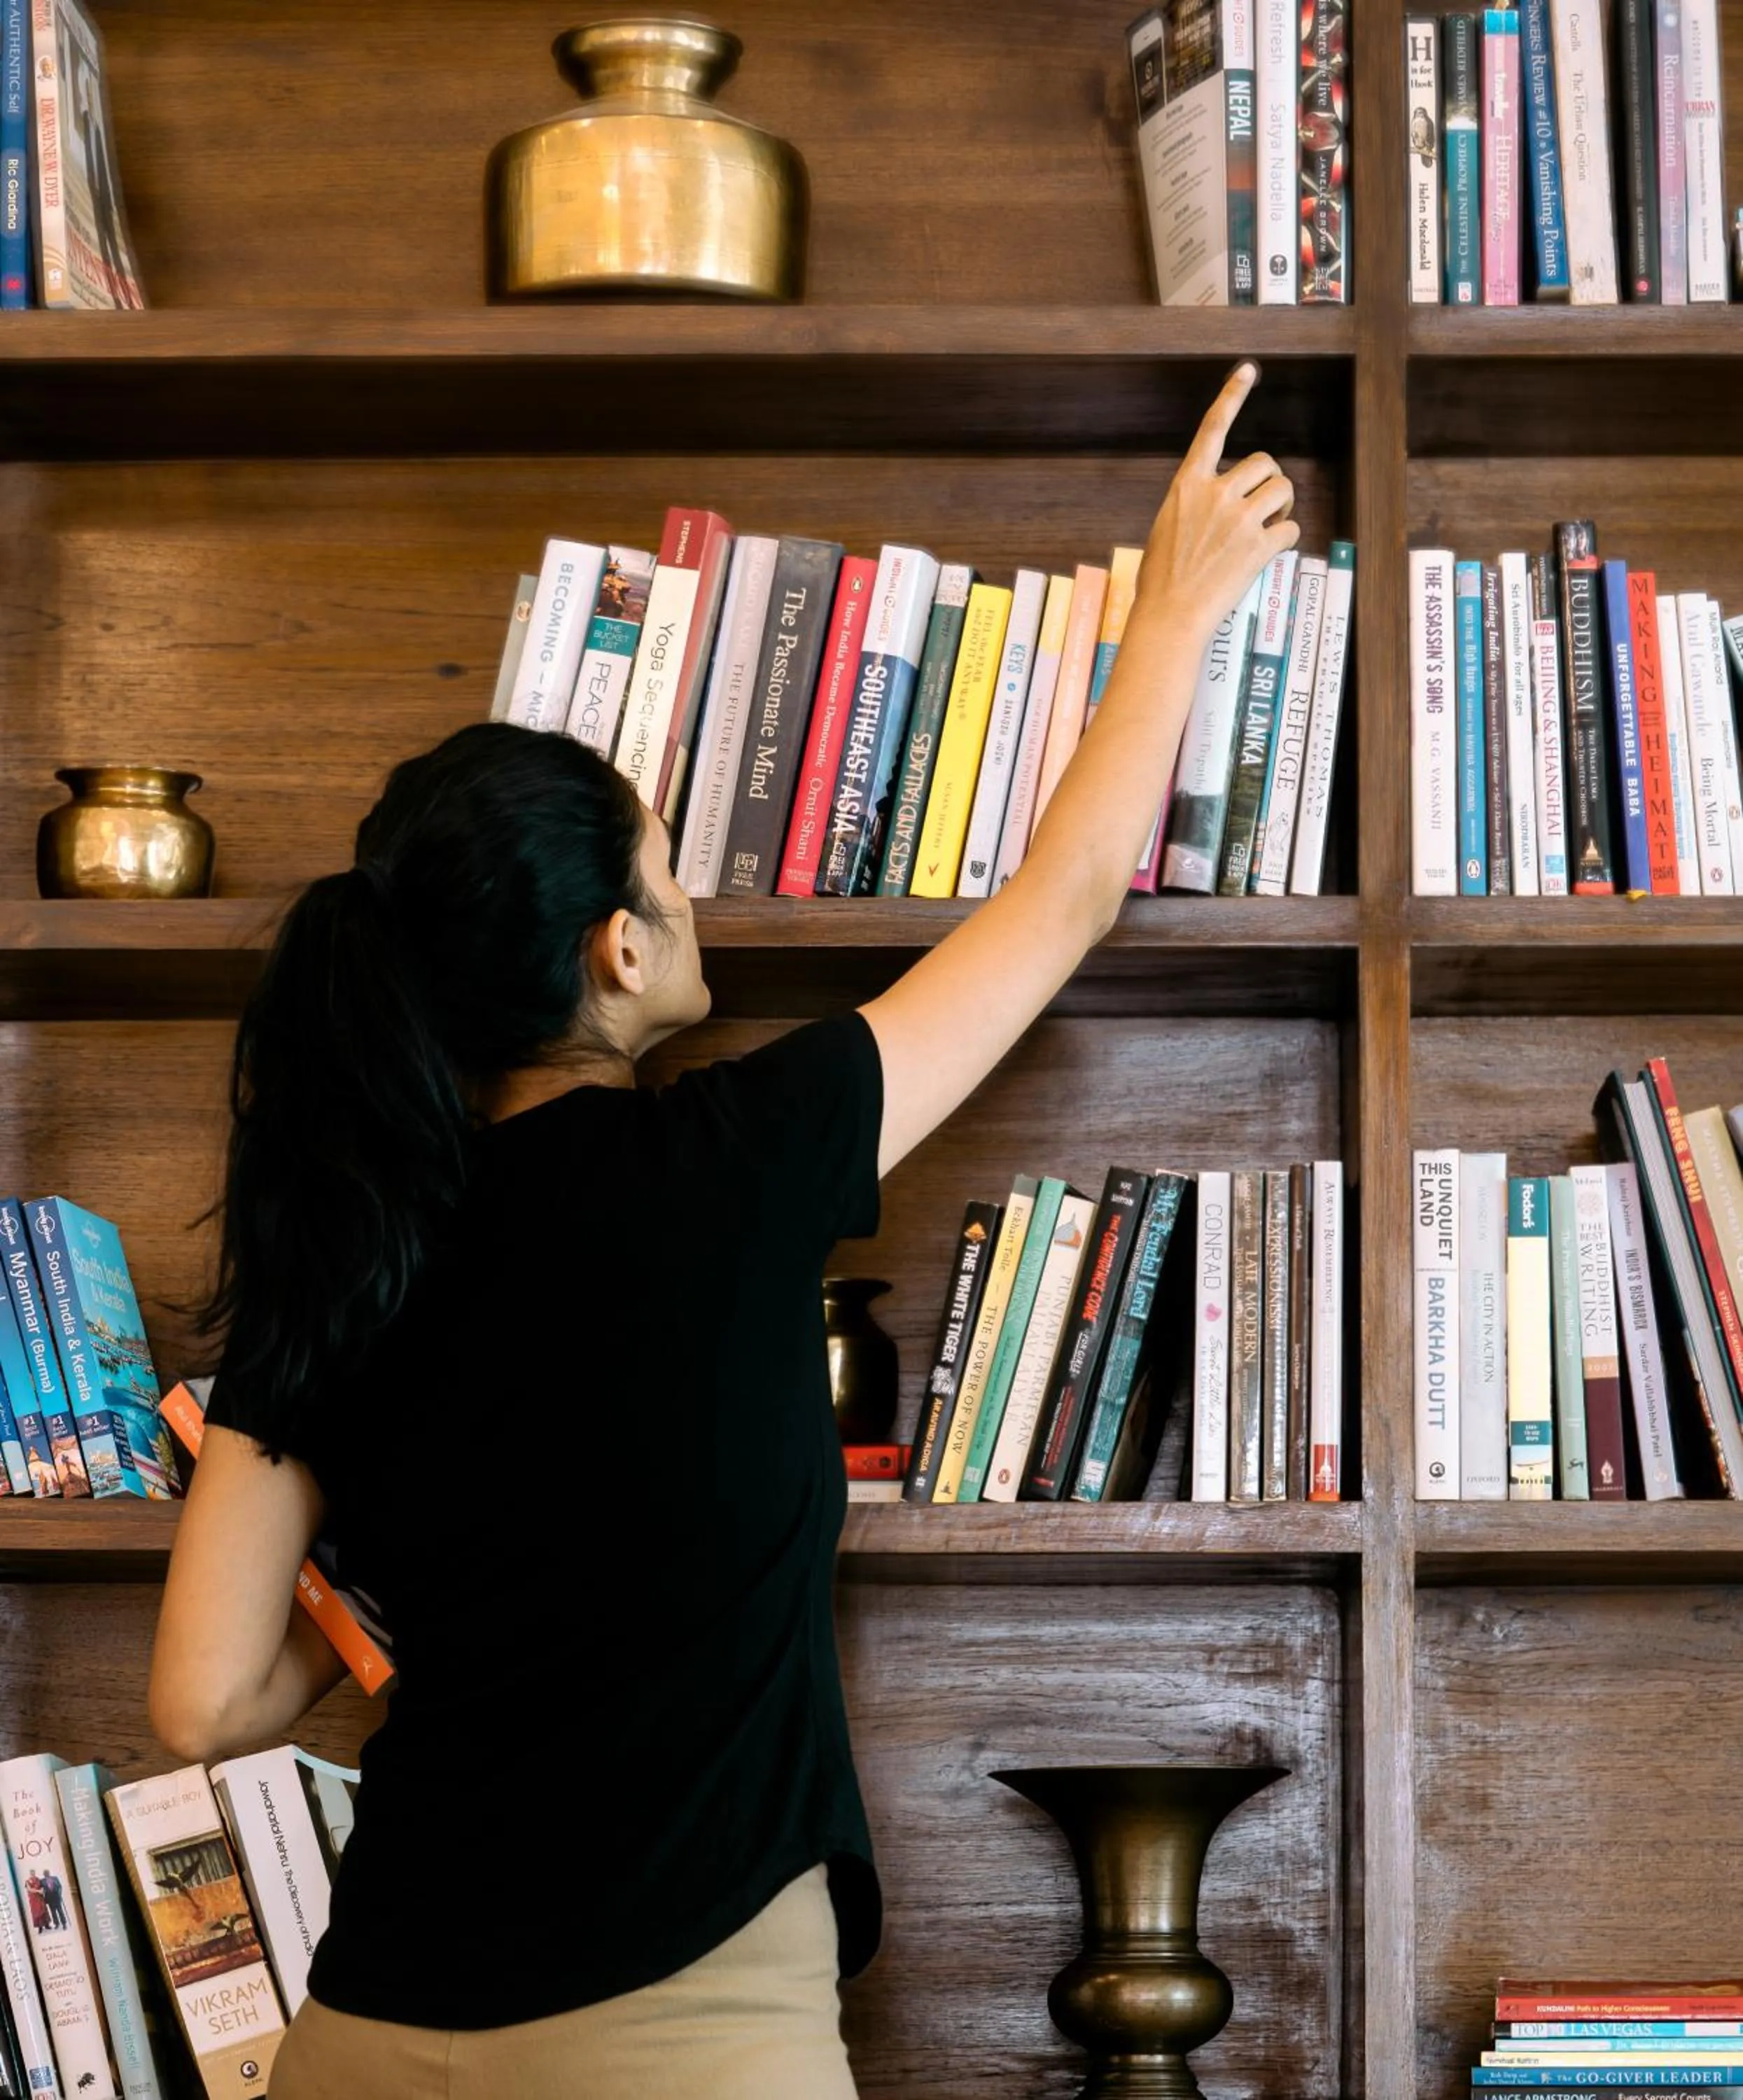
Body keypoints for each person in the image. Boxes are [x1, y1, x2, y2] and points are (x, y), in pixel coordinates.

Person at [148, 365, 1295, 2100]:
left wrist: (412, 1565)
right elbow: (1059, 902)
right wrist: (1186, 601)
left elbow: (207, 1705)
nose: (698, 907)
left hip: (371, 2033)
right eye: (673, 869)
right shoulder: (742, 1156)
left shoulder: (343, 1262)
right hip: (678, 2031)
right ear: (617, 948)